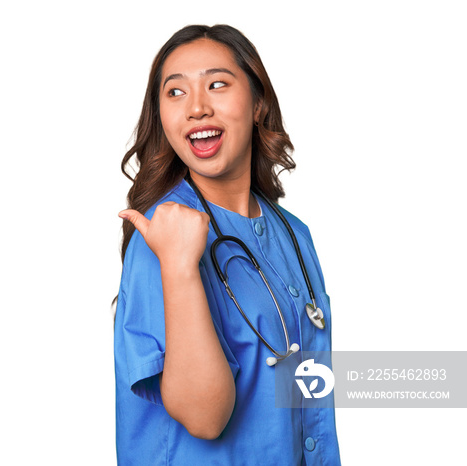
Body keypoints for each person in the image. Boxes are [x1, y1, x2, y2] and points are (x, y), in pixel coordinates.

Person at [113, 25, 341, 465]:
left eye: (217, 84)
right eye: (175, 93)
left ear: (257, 103)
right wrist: (179, 268)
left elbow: (309, 395)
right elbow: (205, 416)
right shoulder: (160, 240)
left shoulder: (294, 235)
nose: (197, 107)